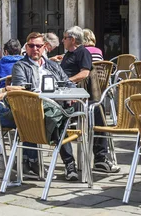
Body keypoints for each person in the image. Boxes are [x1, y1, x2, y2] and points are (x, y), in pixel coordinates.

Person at [11, 32, 80, 180]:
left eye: (38, 46)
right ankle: (69, 164)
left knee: (59, 116)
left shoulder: (53, 65)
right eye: (31, 46)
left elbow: (67, 82)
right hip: (33, 110)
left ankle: (33, 162)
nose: (35, 49)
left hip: (55, 105)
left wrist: (72, 92)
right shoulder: (20, 66)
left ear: (45, 47)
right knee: (60, 120)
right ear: (26, 47)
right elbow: (21, 88)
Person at [60, 26, 119, 173]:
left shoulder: (83, 52)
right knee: (58, 119)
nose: (62, 41)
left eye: (65, 38)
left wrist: (66, 81)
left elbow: (85, 73)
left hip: (78, 99)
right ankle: (70, 164)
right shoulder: (68, 54)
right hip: (64, 97)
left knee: (97, 113)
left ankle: (100, 158)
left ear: (72, 40)